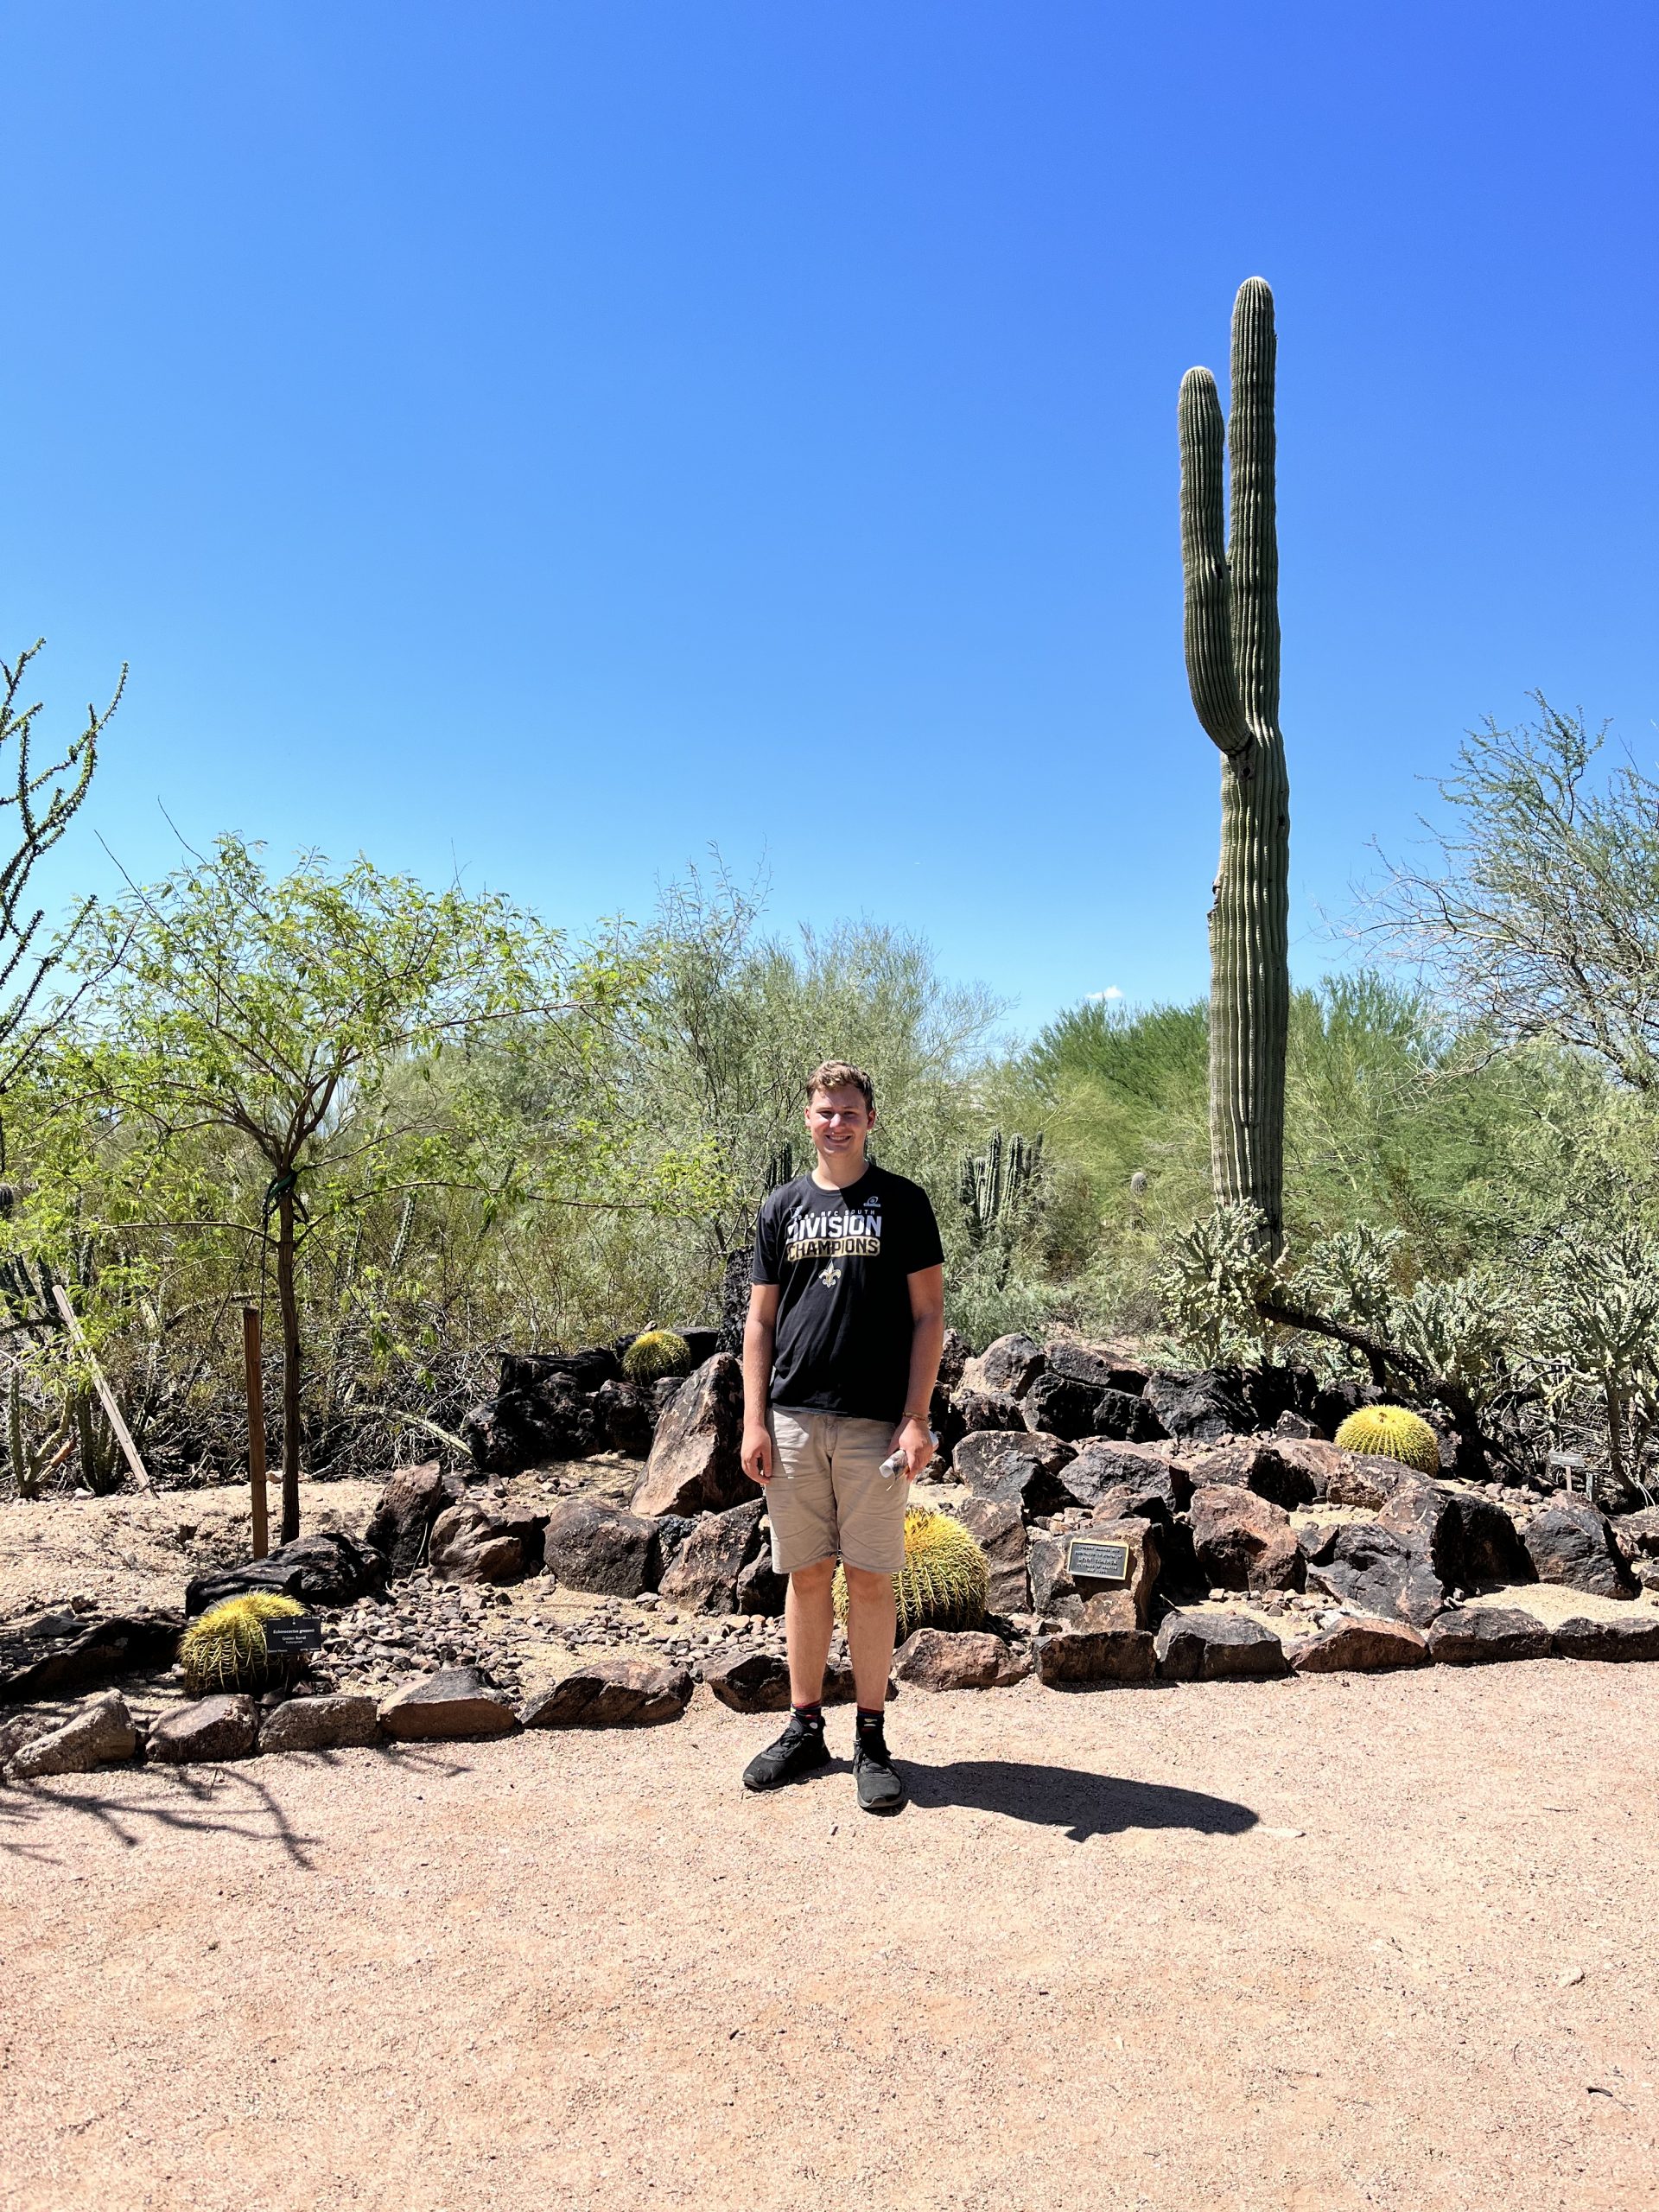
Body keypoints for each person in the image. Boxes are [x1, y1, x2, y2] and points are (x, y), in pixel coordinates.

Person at [739, 1060, 945, 1814]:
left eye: (849, 1111)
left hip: (874, 1423)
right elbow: (760, 1321)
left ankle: (871, 1735)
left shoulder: (903, 1202)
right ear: (808, 1119)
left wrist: (916, 1417)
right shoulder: (782, 1206)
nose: (837, 1123)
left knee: (868, 1578)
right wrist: (753, 1419)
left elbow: (929, 1315)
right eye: (825, 1111)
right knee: (805, 1575)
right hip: (793, 1416)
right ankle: (804, 1727)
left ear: (870, 1119)